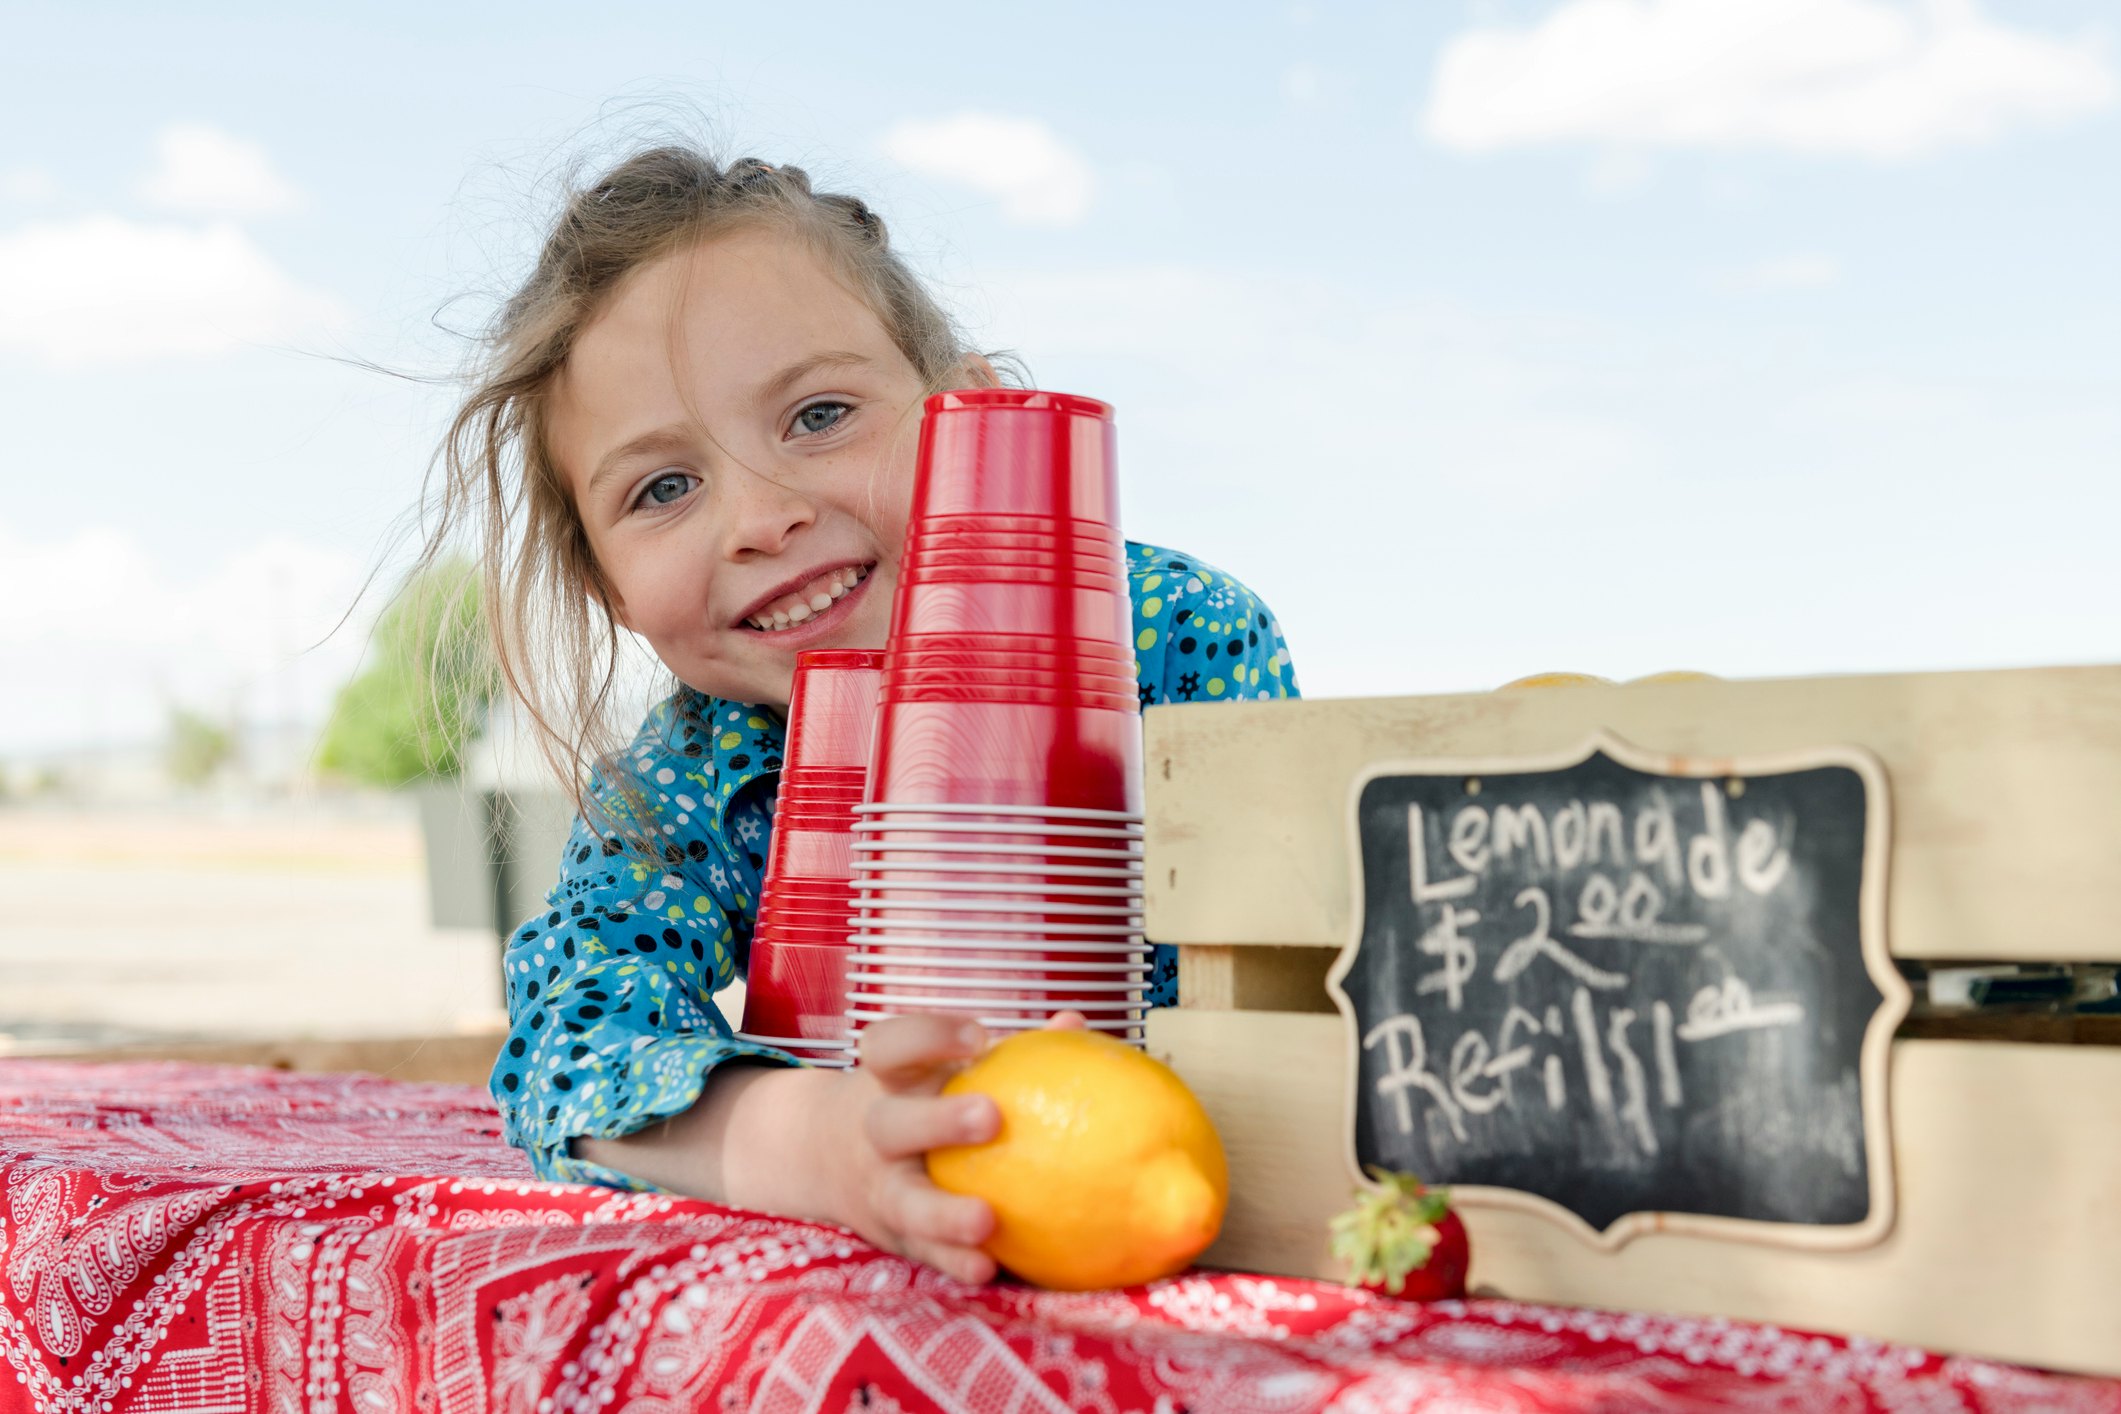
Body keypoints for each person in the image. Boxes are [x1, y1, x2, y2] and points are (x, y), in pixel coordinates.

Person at [423, 146, 1298, 1284]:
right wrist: (819, 1145)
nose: (765, 515)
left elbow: (1296, 979)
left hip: (1187, 1215)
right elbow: (572, 1043)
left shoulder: (1175, 638)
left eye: (821, 413)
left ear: (978, 412)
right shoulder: (691, 769)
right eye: (664, 488)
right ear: (611, 590)